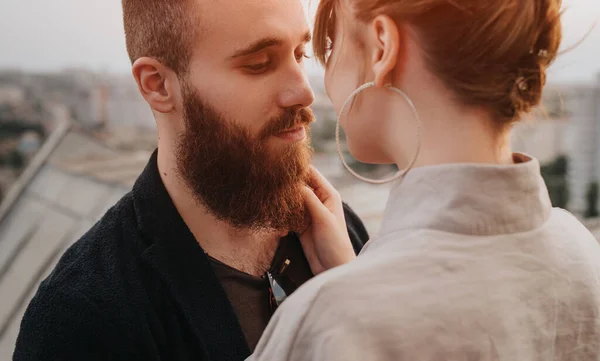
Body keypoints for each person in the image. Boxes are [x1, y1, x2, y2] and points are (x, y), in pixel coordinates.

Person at [12, 0, 369, 360]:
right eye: (259, 64)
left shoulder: (340, 235)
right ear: (158, 86)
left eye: (300, 54)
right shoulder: (85, 318)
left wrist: (350, 293)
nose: (304, 92)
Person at [250, 0, 600, 360]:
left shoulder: (328, 326)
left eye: (329, 46)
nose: (311, 91)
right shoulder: (581, 253)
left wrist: (350, 293)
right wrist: (355, 276)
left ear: (382, 46)